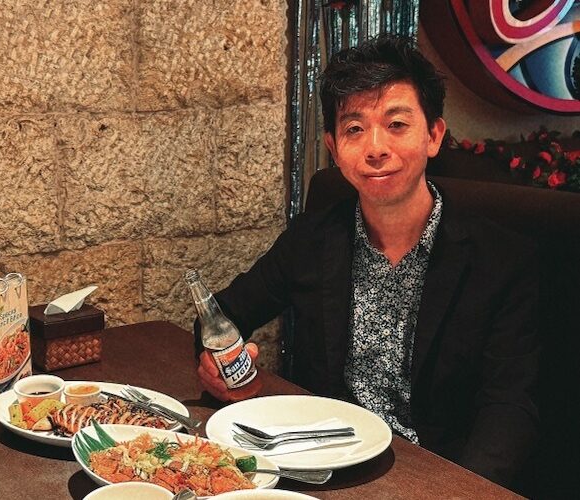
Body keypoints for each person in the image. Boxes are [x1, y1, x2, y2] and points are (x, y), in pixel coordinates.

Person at [195, 35, 538, 488]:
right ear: (334, 147)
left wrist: (460, 492)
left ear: (434, 135)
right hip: (325, 468)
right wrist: (219, 366)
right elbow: (221, 314)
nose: (375, 148)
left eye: (396, 124)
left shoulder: (501, 261)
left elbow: (509, 408)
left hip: (437, 475)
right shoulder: (314, 238)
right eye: (355, 129)